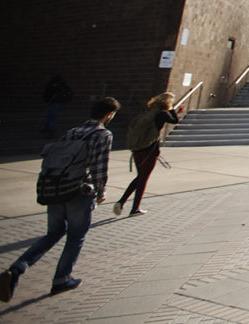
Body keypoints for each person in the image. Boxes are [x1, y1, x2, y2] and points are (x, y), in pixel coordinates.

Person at [1, 96, 120, 302]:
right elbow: (99, 166)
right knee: (76, 236)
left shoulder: (72, 131)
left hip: (56, 188)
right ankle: (61, 280)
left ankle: (17, 269)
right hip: (79, 191)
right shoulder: (103, 134)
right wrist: (101, 192)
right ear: (109, 114)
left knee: (53, 233)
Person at [114, 92, 182, 217]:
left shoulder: (148, 112)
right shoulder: (163, 113)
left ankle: (123, 202)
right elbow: (175, 120)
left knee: (140, 177)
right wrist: (172, 109)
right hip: (149, 149)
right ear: (167, 103)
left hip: (138, 148)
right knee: (143, 179)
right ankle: (133, 208)